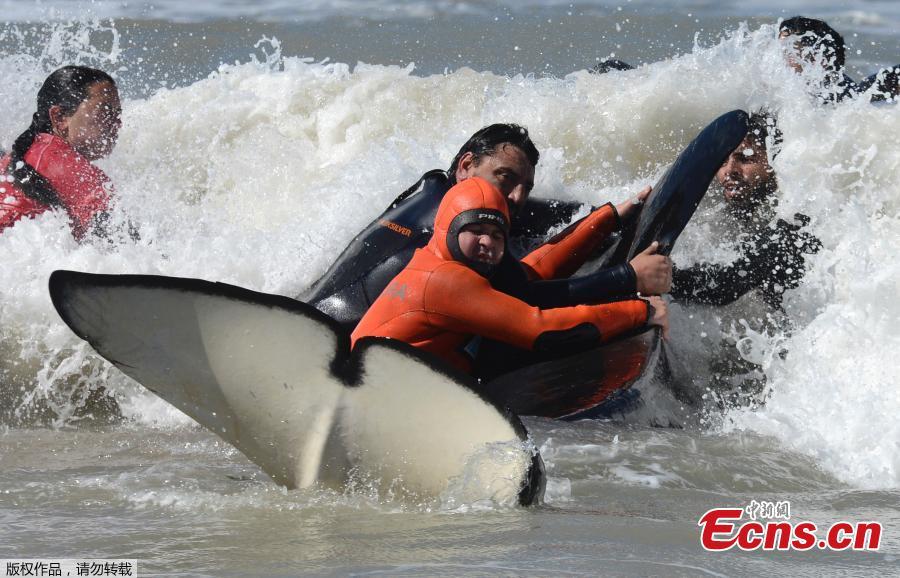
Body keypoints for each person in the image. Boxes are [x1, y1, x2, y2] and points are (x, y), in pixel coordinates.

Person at [305, 123, 671, 329]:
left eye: (525, 187)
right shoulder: (453, 233)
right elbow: (525, 300)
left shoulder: (436, 190)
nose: (516, 197)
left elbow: (532, 242)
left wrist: (608, 216)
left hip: (308, 314)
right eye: (505, 178)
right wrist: (628, 281)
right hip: (336, 344)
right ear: (466, 166)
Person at [351, 176, 668, 374]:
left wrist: (608, 218)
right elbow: (543, 331)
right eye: (475, 230)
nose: (487, 242)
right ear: (447, 229)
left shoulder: (442, 259)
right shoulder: (443, 280)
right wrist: (641, 311)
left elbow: (530, 275)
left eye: (496, 234)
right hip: (376, 408)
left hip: (398, 391)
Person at [670, 112, 820, 308]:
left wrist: (655, 275)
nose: (729, 170)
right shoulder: (732, 213)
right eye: (723, 160)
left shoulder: (792, 221)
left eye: (745, 158)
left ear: (775, 163)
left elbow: (722, 286)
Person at [0, 66, 122, 240]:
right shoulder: (74, 171)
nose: (117, 124)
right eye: (104, 113)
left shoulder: (20, 155)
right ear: (59, 117)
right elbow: (123, 243)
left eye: (117, 115)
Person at [777, 16, 858, 103]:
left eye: (787, 51)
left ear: (821, 60)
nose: (779, 58)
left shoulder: (838, 97)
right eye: (778, 49)